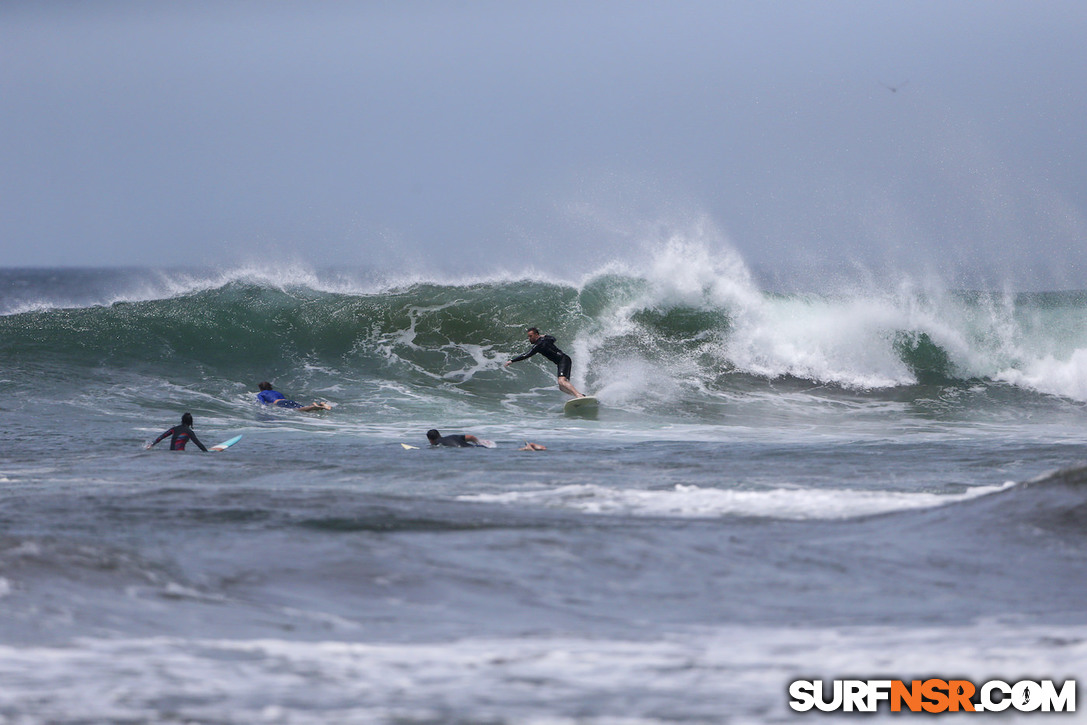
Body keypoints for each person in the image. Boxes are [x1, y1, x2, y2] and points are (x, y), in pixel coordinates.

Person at [504, 327, 586, 398]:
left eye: (531, 336)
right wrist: (545, 336)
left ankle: (578, 395)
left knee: (561, 381)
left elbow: (526, 355)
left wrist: (511, 361)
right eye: (528, 336)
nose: (529, 338)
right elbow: (553, 338)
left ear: (536, 335)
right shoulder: (545, 339)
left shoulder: (538, 345)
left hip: (563, 360)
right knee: (562, 387)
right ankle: (579, 396)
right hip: (564, 360)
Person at [257, 382, 332, 411]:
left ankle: (314, 406)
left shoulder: (261, 394)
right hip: (287, 401)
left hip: (280, 403)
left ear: (260, 388)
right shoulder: (276, 392)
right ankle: (320, 405)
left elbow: (263, 403)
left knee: (299, 410)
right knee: (303, 408)